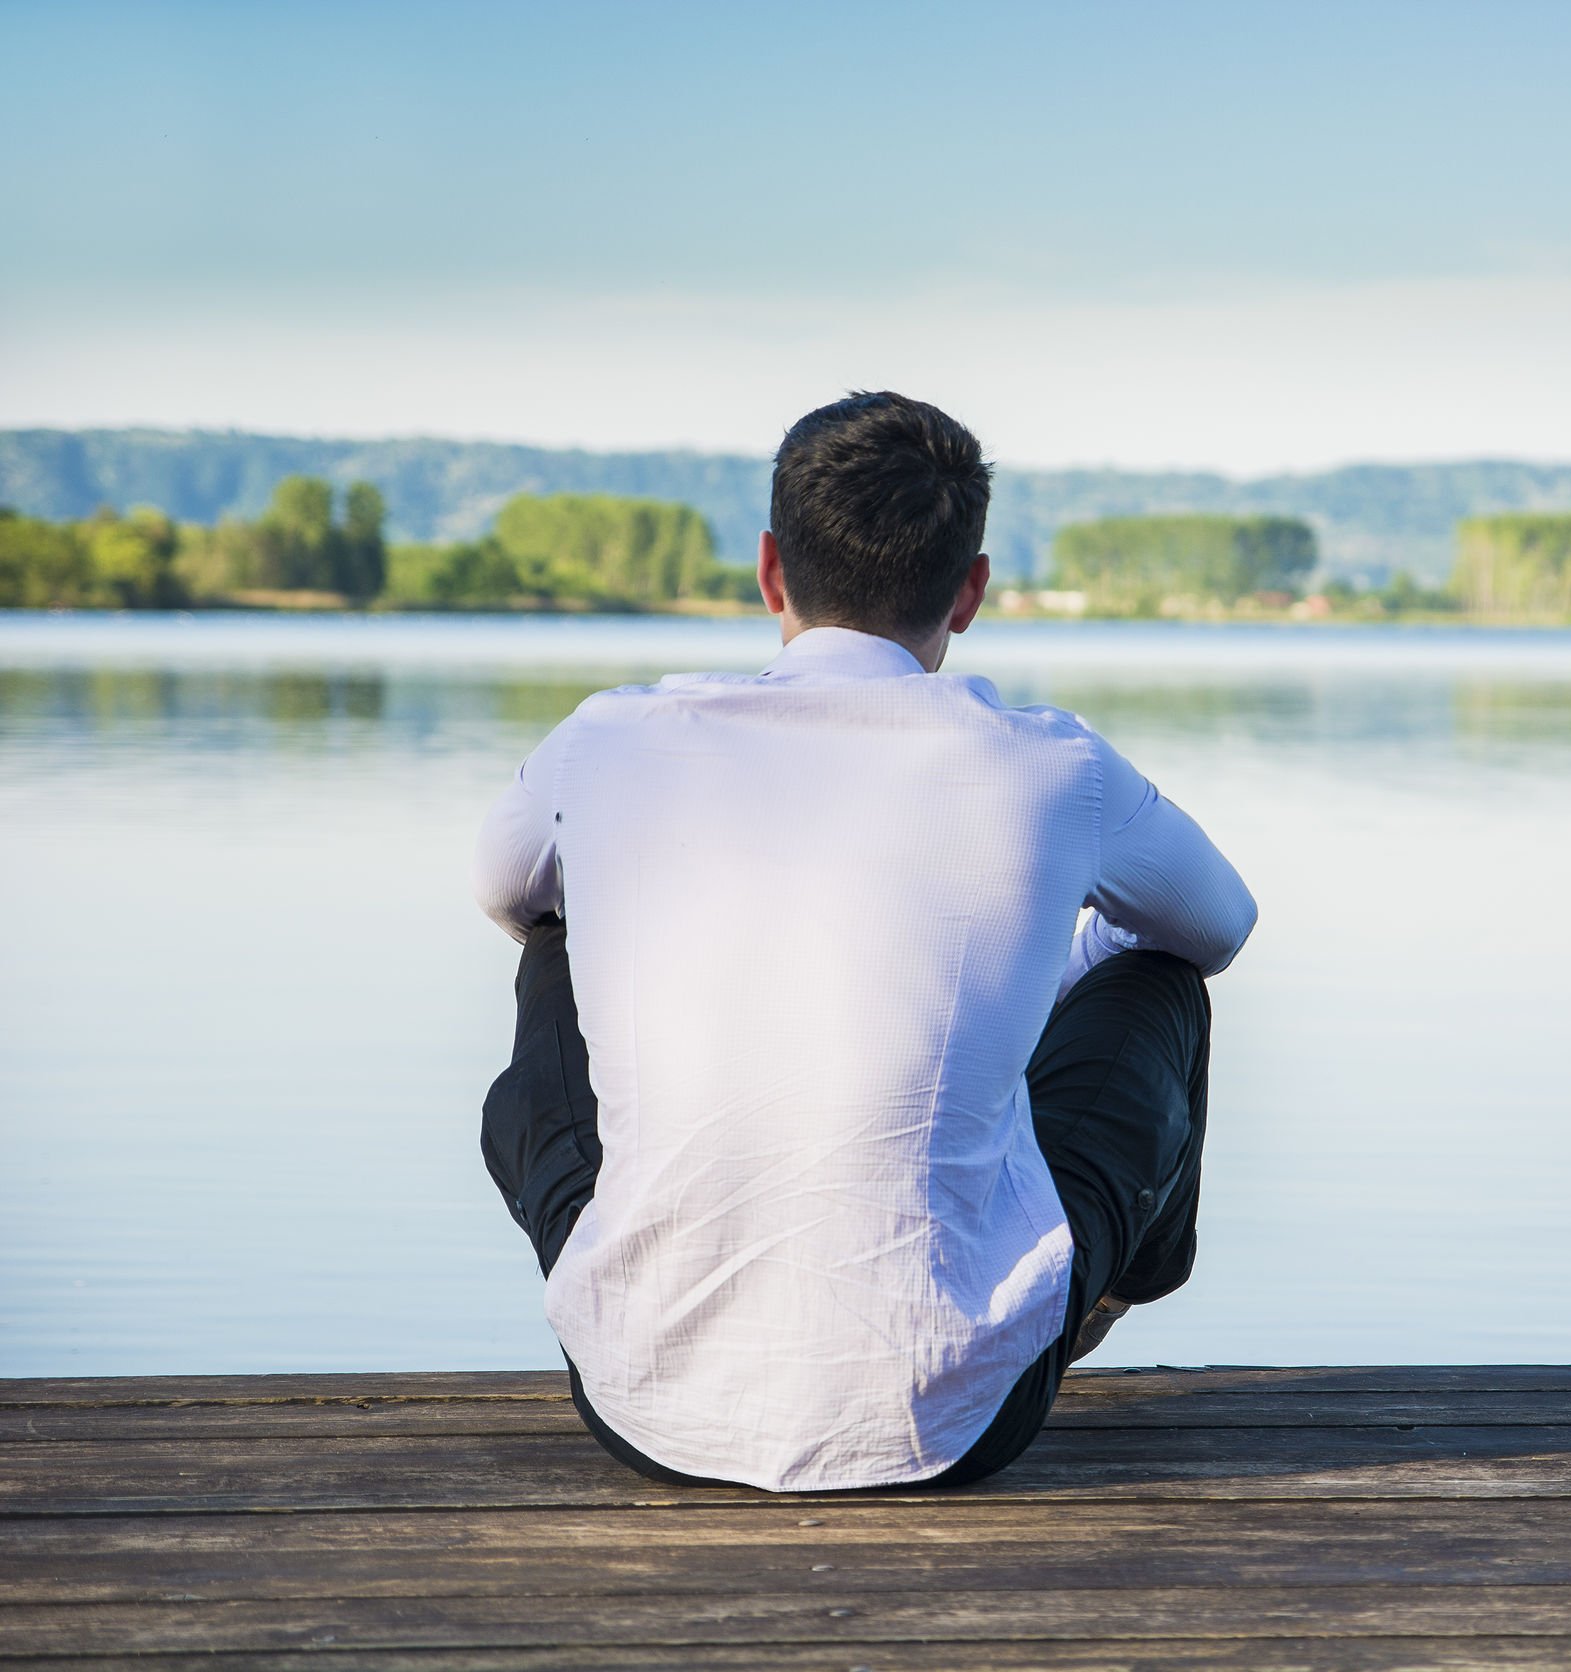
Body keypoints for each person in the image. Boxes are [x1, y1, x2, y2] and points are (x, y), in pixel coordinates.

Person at [471, 392, 1256, 1491]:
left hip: (642, 1407)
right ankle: (1091, 1294)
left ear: (769, 571)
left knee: (552, 943)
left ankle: (648, 1283)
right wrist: (1030, 980)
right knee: (1158, 982)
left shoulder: (606, 739)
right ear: (971, 590)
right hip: (955, 1424)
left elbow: (506, 894)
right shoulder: (1051, 765)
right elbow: (1216, 928)